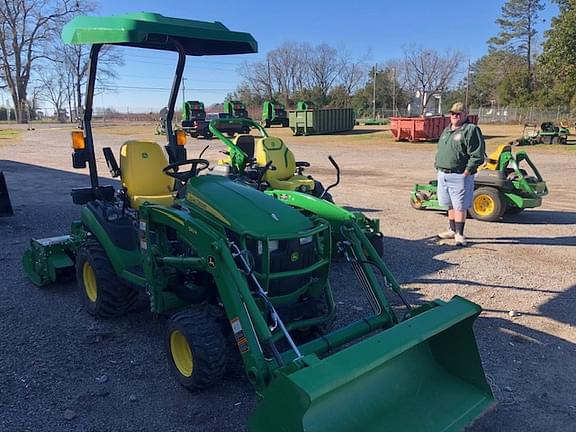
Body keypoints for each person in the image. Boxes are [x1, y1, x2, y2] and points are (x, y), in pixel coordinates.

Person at [435, 102, 485, 246]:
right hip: (444, 173)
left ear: (465, 115)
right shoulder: (447, 130)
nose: (455, 116)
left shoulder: (470, 130)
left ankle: (460, 234)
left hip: (459, 175)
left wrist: (467, 171)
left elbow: (477, 154)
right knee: (450, 204)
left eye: (458, 113)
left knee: (459, 206)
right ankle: (451, 229)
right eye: (452, 113)